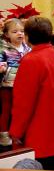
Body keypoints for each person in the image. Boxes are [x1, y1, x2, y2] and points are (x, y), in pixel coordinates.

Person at [9, 16, 54, 170]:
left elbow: (24, 102)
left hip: (42, 135)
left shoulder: (31, 61)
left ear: (27, 37)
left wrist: (16, 131)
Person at [0, 18, 31, 146]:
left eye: (22, 31)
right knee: (6, 110)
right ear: (7, 34)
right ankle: (3, 134)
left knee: (20, 110)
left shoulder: (27, 47)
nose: (19, 34)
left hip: (24, 84)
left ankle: (18, 133)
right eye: (15, 32)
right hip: (8, 85)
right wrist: (2, 67)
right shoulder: (3, 48)